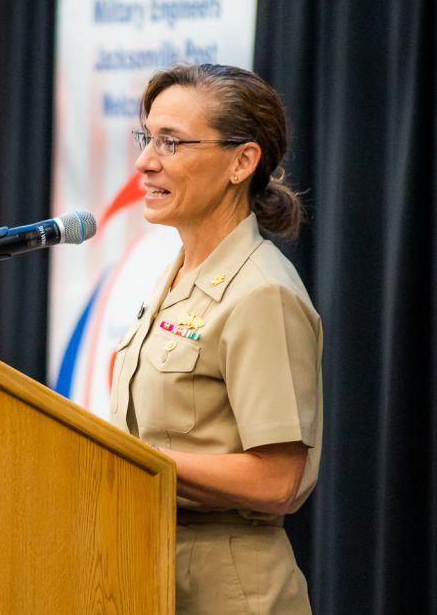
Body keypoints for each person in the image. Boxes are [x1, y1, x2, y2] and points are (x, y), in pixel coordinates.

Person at [109, 64, 322, 614]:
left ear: (242, 161)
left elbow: (278, 479)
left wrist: (134, 459)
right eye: (147, 137)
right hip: (152, 566)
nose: (145, 160)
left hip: (230, 586)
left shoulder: (260, 291)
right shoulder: (177, 275)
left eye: (171, 142)